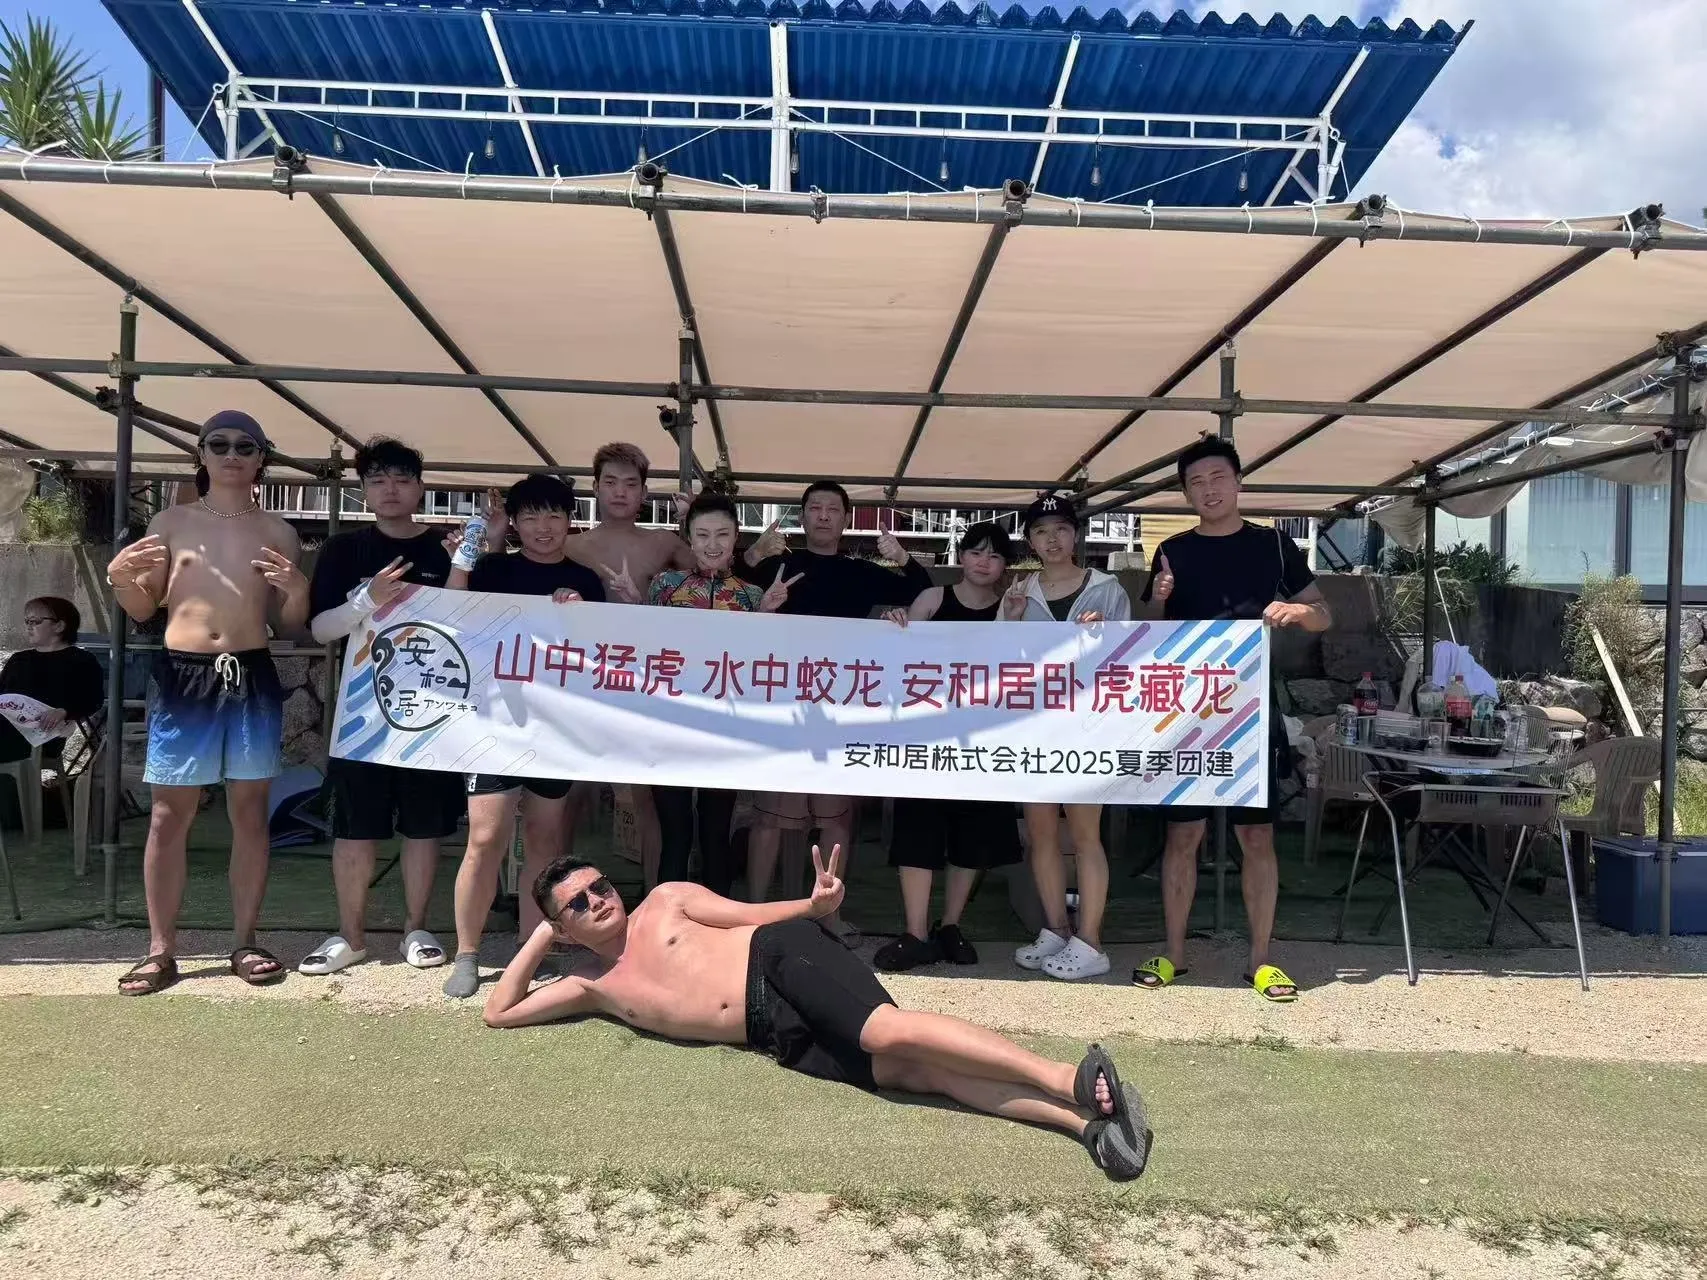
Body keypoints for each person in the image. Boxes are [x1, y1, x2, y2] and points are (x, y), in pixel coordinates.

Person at [485, 851, 1152, 1181]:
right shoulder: (591, 983)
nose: (599, 900)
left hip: (779, 957)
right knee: (916, 1075)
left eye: (600, 886)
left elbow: (749, 916)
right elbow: (499, 1012)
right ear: (563, 928)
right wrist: (540, 936)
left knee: (887, 1030)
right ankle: (1082, 1125)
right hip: (771, 1031)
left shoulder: (665, 901)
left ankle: (1065, 1076)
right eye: (577, 904)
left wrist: (813, 907)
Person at [105, 409, 309, 995]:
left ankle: (245, 939)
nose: (231, 454)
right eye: (219, 444)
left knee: (250, 813)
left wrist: (298, 589)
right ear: (201, 453)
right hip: (184, 675)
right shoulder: (170, 521)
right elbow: (143, 607)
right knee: (169, 815)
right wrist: (118, 578)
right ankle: (160, 949)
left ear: (261, 457)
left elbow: (288, 624)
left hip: (251, 674)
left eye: (245, 445)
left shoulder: (279, 531)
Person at [1135, 436, 1331, 1004]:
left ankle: (1261, 961)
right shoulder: (1172, 550)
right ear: (1185, 493)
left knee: (1257, 835)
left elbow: (1324, 613)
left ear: (1239, 482)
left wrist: (1299, 610)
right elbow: (1150, 636)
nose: (1209, 489)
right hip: (1185, 711)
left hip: (1251, 710)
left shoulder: (1275, 546)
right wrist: (1159, 598)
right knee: (1183, 834)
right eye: (1196, 482)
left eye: (1218, 477)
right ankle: (1174, 954)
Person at [300, 437, 462, 976]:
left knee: (424, 827)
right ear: (364, 489)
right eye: (378, 480)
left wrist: (472, 556)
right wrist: (366, 600)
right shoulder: (342, 550)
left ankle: (417, 928)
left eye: (401, 479)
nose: (390, 489)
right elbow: (321, 629)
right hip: (362, 715)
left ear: (420, 487)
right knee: (354, 827)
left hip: (434, 709)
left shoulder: (445, 551)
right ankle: (351, 936)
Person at [441, 472, 606, 1000]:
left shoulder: (586, 580)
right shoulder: (493, 568)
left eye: (554, 515)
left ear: (570, 521)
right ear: (513, 522)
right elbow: (453, 611)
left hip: (554, 724)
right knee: (484, 838)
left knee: (544, 841)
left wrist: (580, 614)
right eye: (531, 516)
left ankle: (528, 946)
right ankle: (467, 953)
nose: (543, 527)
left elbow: (602, 651)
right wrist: (462, 558)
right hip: (492, 719)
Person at [740, 481, 933, 929]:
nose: (823, 515)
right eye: (815, 507)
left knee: (836, 817)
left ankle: (830, 915)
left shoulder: (859, 571)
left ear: (846, 519)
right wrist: (754, 553)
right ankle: (754, 913)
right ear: (803, 515)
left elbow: (923, 591)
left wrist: (903, 558)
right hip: (781, 702)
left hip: (840, 703)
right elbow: (724, 578)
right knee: (769, 816)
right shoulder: (776, 565)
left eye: (832, 509)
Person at [873, 523, 1022, 972]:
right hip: (928, 737)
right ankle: (915, 932)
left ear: (1005, 564)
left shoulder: (1012, 607)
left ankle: (951, 925)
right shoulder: (933, 599)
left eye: (994, 555)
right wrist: (894, 626)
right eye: (975, 552)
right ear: (961, 556)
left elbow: (1024, 666)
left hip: (984, 739)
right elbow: (897, 655)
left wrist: (1013, 621)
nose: (983, 562)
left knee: (972, 836)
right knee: (918, 829)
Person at [1002, 494, 1132, 982]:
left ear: (1075, 535)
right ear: (1030, 541)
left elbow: (1133, 655)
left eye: (1060, 529)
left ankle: (1091, 940)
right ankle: (1056, 929)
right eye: (1040, 531)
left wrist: (1109, 631)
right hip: (1035, 728)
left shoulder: (1106, 588)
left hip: (1088, 729)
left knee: (1083, 834)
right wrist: (1011, 616)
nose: (1051, 539)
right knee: (1040, 833)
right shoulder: (1020, 589)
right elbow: (995, 658)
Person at [644, 493, 797, 897]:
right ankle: (668, 922)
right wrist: (628, 602)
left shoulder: (751, 595)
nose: (712, 544)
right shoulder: (664, 586)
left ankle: (719, 921)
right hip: (671, 726)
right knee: (675, 833)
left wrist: (766, 614)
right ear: (689, 538)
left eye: (722, 534)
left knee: (716, 832)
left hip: (725, 729)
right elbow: (645, 645)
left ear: (735, 538)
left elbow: (761, 662)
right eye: (703, 534)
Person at [562, 443, 691, 890]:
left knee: (646, 797)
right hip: (585, 679)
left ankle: (654, 900)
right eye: (611, 482)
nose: (620, 492)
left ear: (644, 493)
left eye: (630, 484)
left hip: (646, 681)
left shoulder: (665, 543)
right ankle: (562, 898)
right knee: (570, 794)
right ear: (595, 488)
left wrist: (693, 523)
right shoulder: (569, 544)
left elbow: (713, 579)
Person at [0, 597, 104, 765]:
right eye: (27, 621)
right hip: (8, 728)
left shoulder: (81, 660)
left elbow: (93, 699)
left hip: (44, 735)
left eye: (35, 621)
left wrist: (65, 711)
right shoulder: (18, 660)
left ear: (59, 626)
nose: (29, 626)